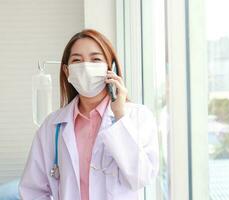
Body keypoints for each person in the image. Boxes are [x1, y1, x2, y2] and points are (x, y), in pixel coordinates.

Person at [19, 29, 159, 200]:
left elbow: (141, 177)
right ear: (67, 71)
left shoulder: (138, 117)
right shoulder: (51, 127)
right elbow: (32, 191)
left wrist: (120, 115)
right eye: (77, 60)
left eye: (95, 59)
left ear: (111, 67)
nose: (85, 67)